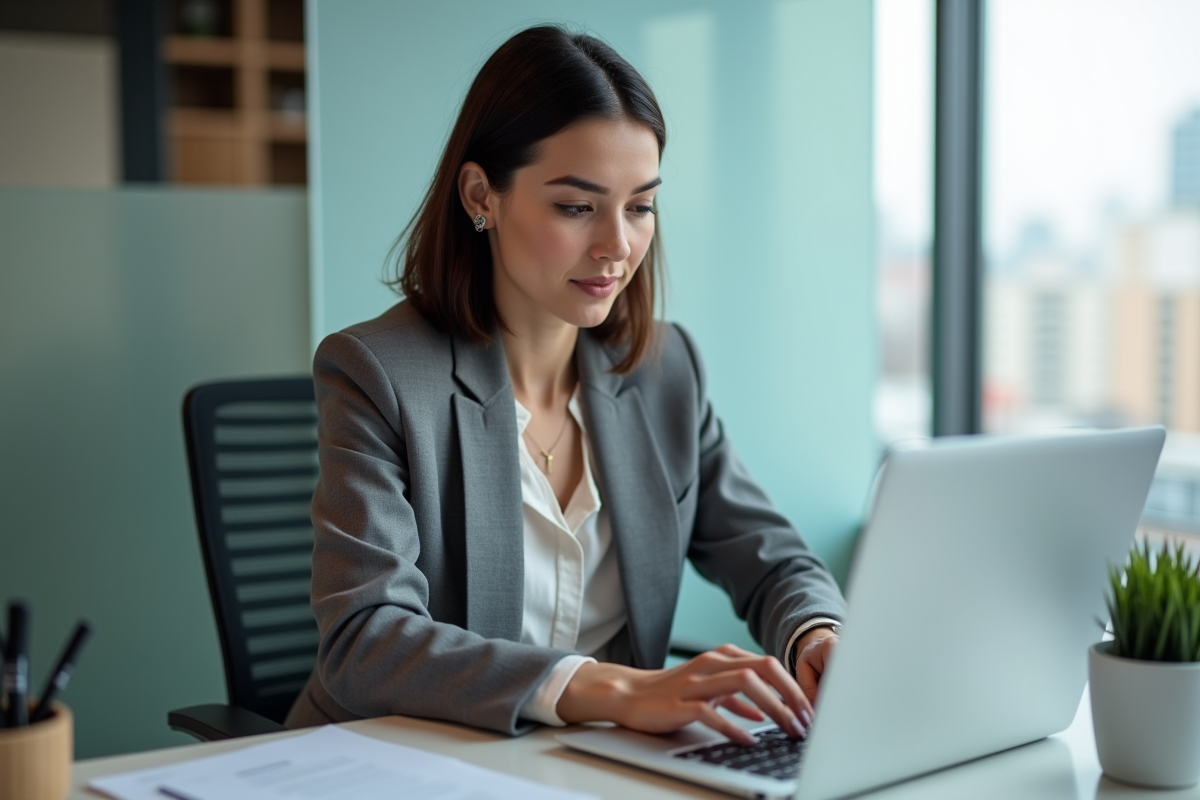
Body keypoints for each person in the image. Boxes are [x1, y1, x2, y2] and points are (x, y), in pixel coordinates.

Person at [285, 25, 846, 746]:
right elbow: (364, 640)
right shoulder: (379, 375)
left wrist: (815, 635)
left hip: (596, 767)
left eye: (640, 205)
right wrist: (611, 687)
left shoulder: (666, 370)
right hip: (410, 764)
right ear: (481, 194)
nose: (617, 244)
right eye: (577, 207)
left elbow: (771, 557)